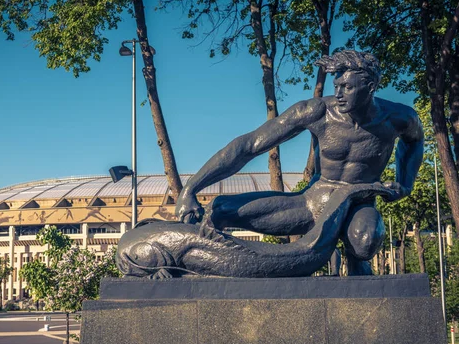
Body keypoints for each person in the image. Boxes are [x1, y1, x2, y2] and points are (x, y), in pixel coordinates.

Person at [175, 50, 424, 275]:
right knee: (217, 211)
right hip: (313, 202)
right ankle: (188, 267)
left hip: (357, 204)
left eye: (347, 87)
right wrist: (191, 188)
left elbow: (414, 142)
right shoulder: (316, 111)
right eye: (336, 85)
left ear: (370, 87)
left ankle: (358, 268)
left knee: (364, 240)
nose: (338, 94)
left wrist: (406, 183)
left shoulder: (400, 118)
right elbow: (248, 146)